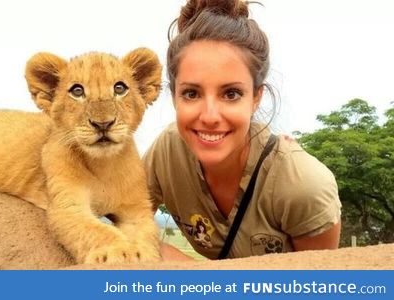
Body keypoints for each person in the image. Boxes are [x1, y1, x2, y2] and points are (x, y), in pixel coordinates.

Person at [143, 0, 342, 260]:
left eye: (231, 93)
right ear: (173, 96)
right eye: (191, 93)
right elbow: (126, 227)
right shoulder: (166, 153)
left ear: (256, 97)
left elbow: (319, 283)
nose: (210, 116)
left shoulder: (303, 186)